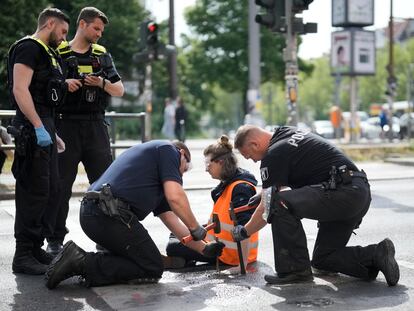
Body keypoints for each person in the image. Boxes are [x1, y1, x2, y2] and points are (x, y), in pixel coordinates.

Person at [231, 125, 400, 286]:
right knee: (323, 260)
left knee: (277, 202)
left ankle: (294, 270)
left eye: (249, 155)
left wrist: (245, 231)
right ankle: (376, 254)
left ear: (255, 144)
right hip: (356, 191)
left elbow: (267, 208)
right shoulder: (286, 132)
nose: (252, 160)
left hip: (341, 193)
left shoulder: (272, 155)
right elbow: (298, 167)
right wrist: (262, 194)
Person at [45, 140, 225, 289]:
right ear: (183, 155)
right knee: (152, 267)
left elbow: (175, 224)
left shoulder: (155, 175)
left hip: (96, 213)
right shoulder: (169, 151)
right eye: (185, 169)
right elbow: (176, 197)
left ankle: (82, 261)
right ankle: (81, 261)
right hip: (108, 214)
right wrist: (196, 228)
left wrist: (204, 248)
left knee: (142, 260)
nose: (182, 175)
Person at [47, 7, 125, 255]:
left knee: (104, 186)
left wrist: (101, 83)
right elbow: (45, 86)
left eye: (102, 30)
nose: (100, 34)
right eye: (96, 28)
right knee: (60, 185)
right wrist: (63, 84)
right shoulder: (59, 51)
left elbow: (119, 90)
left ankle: (106, 238)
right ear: (82, 24)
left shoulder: (102, 55)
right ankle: (54, 239)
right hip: (66, 124)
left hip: (95, 126)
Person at [6, 7, 69, 275]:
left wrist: (51, 133)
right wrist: (38, 127)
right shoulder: (29, 48)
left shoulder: (48, 53)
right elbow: (20, 89)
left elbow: (42, 97)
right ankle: (23, 255)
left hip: (43, 126)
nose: (64, 38)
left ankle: (35, 249)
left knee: (51, 190)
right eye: (63, 31)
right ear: (50, 23)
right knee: (34, 192)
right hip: (32, 131)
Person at [166, 135, 259, 272]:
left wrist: (241, 266)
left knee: (172, 247)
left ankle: (185, 259)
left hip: (226, 254)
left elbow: (243, 228)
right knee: (176, 233)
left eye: (208, 164)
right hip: (220, 244)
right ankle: (186, 259)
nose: (206, 169)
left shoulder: (240, 189)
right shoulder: (229, 184)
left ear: (220, 162)